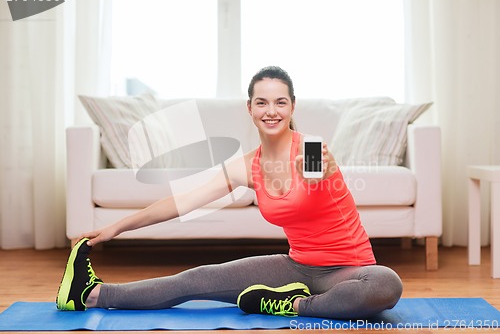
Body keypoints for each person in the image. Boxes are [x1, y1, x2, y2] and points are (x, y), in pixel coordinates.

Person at [56, 66, 403, 319]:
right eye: (262, 102)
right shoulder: (245, 166)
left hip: (350, 270)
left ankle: (291, 305)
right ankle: (93, 294)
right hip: (296, 268)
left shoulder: (310, 150)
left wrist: (322, 171)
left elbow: (317, 178)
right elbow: (182, 201)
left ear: (292, 107)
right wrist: (114, 228)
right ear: (249, 108)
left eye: (280, 102)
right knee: (196, 279)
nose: (271, 111)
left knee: (386, 284)